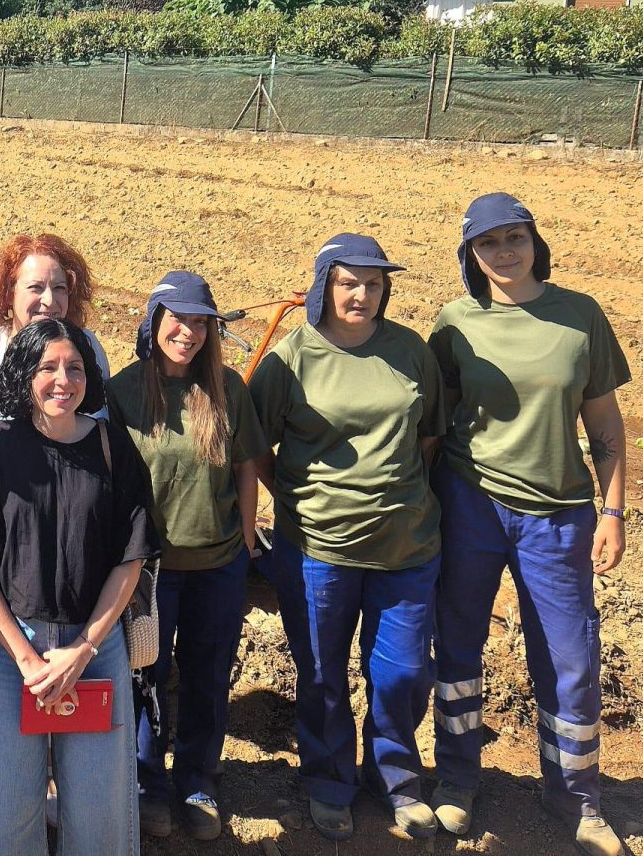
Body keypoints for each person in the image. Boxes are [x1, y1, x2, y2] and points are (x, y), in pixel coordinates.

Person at [428, 194, 631, 856]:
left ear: (534, 241)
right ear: (472, 256)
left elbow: (604, 424)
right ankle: (458, 778)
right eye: (489, 243)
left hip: (559, 517)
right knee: (456, 645)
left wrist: (613, 510)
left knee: (570, 658)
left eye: (515, 237)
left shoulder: (580, 316)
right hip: (471, 505)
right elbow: (436, 423)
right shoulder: (455, 323)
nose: (505, 252)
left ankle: (575, 794)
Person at [249, 234, 445, 841]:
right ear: (324, 285)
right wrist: (296, 496)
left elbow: (430, 435)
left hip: (406, 547)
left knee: (403, 672)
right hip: (316, 549)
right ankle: (328, 779)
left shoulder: (409, 350)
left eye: (375, 284)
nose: (362, 294)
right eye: (349, 282)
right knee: (322, 674)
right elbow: (255, 445)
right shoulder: (292, 358)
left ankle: (395, 777)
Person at [0, 318, 159, 856]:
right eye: (47, 367)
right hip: (8, 654)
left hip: (95, 649)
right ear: (25, 374)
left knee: (99, 809)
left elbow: (129, 559)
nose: (62, 380)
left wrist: (84, 647)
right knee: (6, 810)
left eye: (73, 367)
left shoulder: (114, 447)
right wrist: (25, 657)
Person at [105, 271, 268, 841]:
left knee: (207, 676)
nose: (189, 332)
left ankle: (197, 780)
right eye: (178, 319)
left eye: (201, 322)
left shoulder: (227, 388)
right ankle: (148, 783)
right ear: (153, 322)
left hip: (217, 567)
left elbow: (247, 464)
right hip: (148, 572)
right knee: (146, 678)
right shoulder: (124, 392)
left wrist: (246, 537)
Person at [0, 233, 110, 584]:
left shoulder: (87, 347)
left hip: (70, 535)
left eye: (60, 288)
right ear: (9, 292)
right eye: (35, 288)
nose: (49, 300)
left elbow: (101, 429)